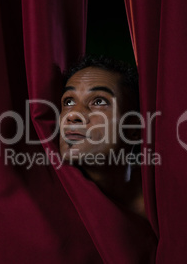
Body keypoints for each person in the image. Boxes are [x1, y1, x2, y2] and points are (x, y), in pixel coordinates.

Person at [59, 55, 145, 216]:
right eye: (69, 101)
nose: (72, 115)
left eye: (98, 101)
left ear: (133, 129)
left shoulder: (163, 201)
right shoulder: (48, 201)